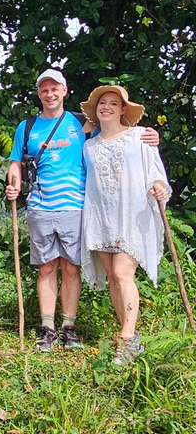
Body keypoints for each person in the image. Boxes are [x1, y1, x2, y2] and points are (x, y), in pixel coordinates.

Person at [5, 69, 159, 353]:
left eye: (55, 89)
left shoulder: (82, 123)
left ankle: (69, 327)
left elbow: (117, 135)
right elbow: (16, 162)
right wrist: (13, 185)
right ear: (39, 94)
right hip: (40, 207)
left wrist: (148, 136)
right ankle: (47, 328)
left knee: (71, 268)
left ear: (64, 90)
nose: (49, 94)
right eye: (44, 90)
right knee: (46, 268)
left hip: (77, 208)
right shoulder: (27, 127)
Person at [79, 85, 171, 365]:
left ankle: (128, 340)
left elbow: (156, 172)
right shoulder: (89, 146)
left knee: (122, 273)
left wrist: (159, 186)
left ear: (122, 110)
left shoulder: (139, 138)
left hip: (132, 216)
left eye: (113, 103)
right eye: (102, 103)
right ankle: (129, 336)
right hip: (101, 217)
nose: (106, 107)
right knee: (113, 278)